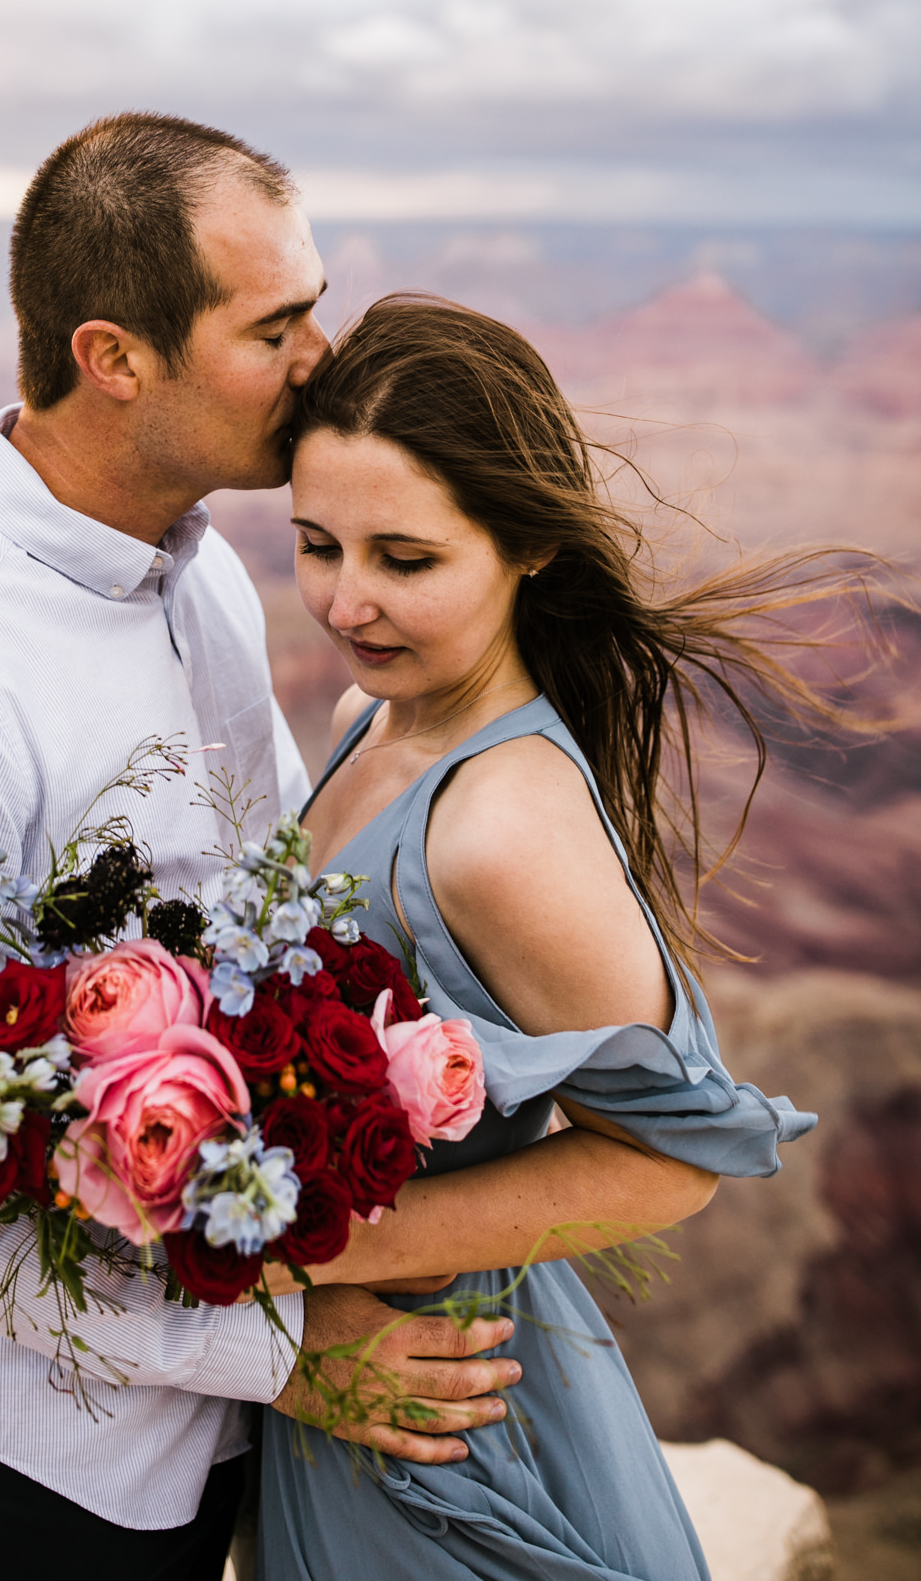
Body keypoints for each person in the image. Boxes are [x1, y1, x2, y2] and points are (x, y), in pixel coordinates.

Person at [0, 117, 520, 1581]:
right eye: (276, 325)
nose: (324, 355)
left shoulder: (205, 579)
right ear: (115, 357)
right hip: (20, 1464)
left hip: (221, 1440)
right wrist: (275, 1351)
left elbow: (270, 928)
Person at [250, 294, 855, 1580]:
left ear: (525, 544)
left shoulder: (497, 825)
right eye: (315, 544)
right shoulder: (381, 714)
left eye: (404, 559)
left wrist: (325, 1247)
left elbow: (670, 1159)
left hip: (451, 1418)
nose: (346, 601)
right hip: (351, 1383)